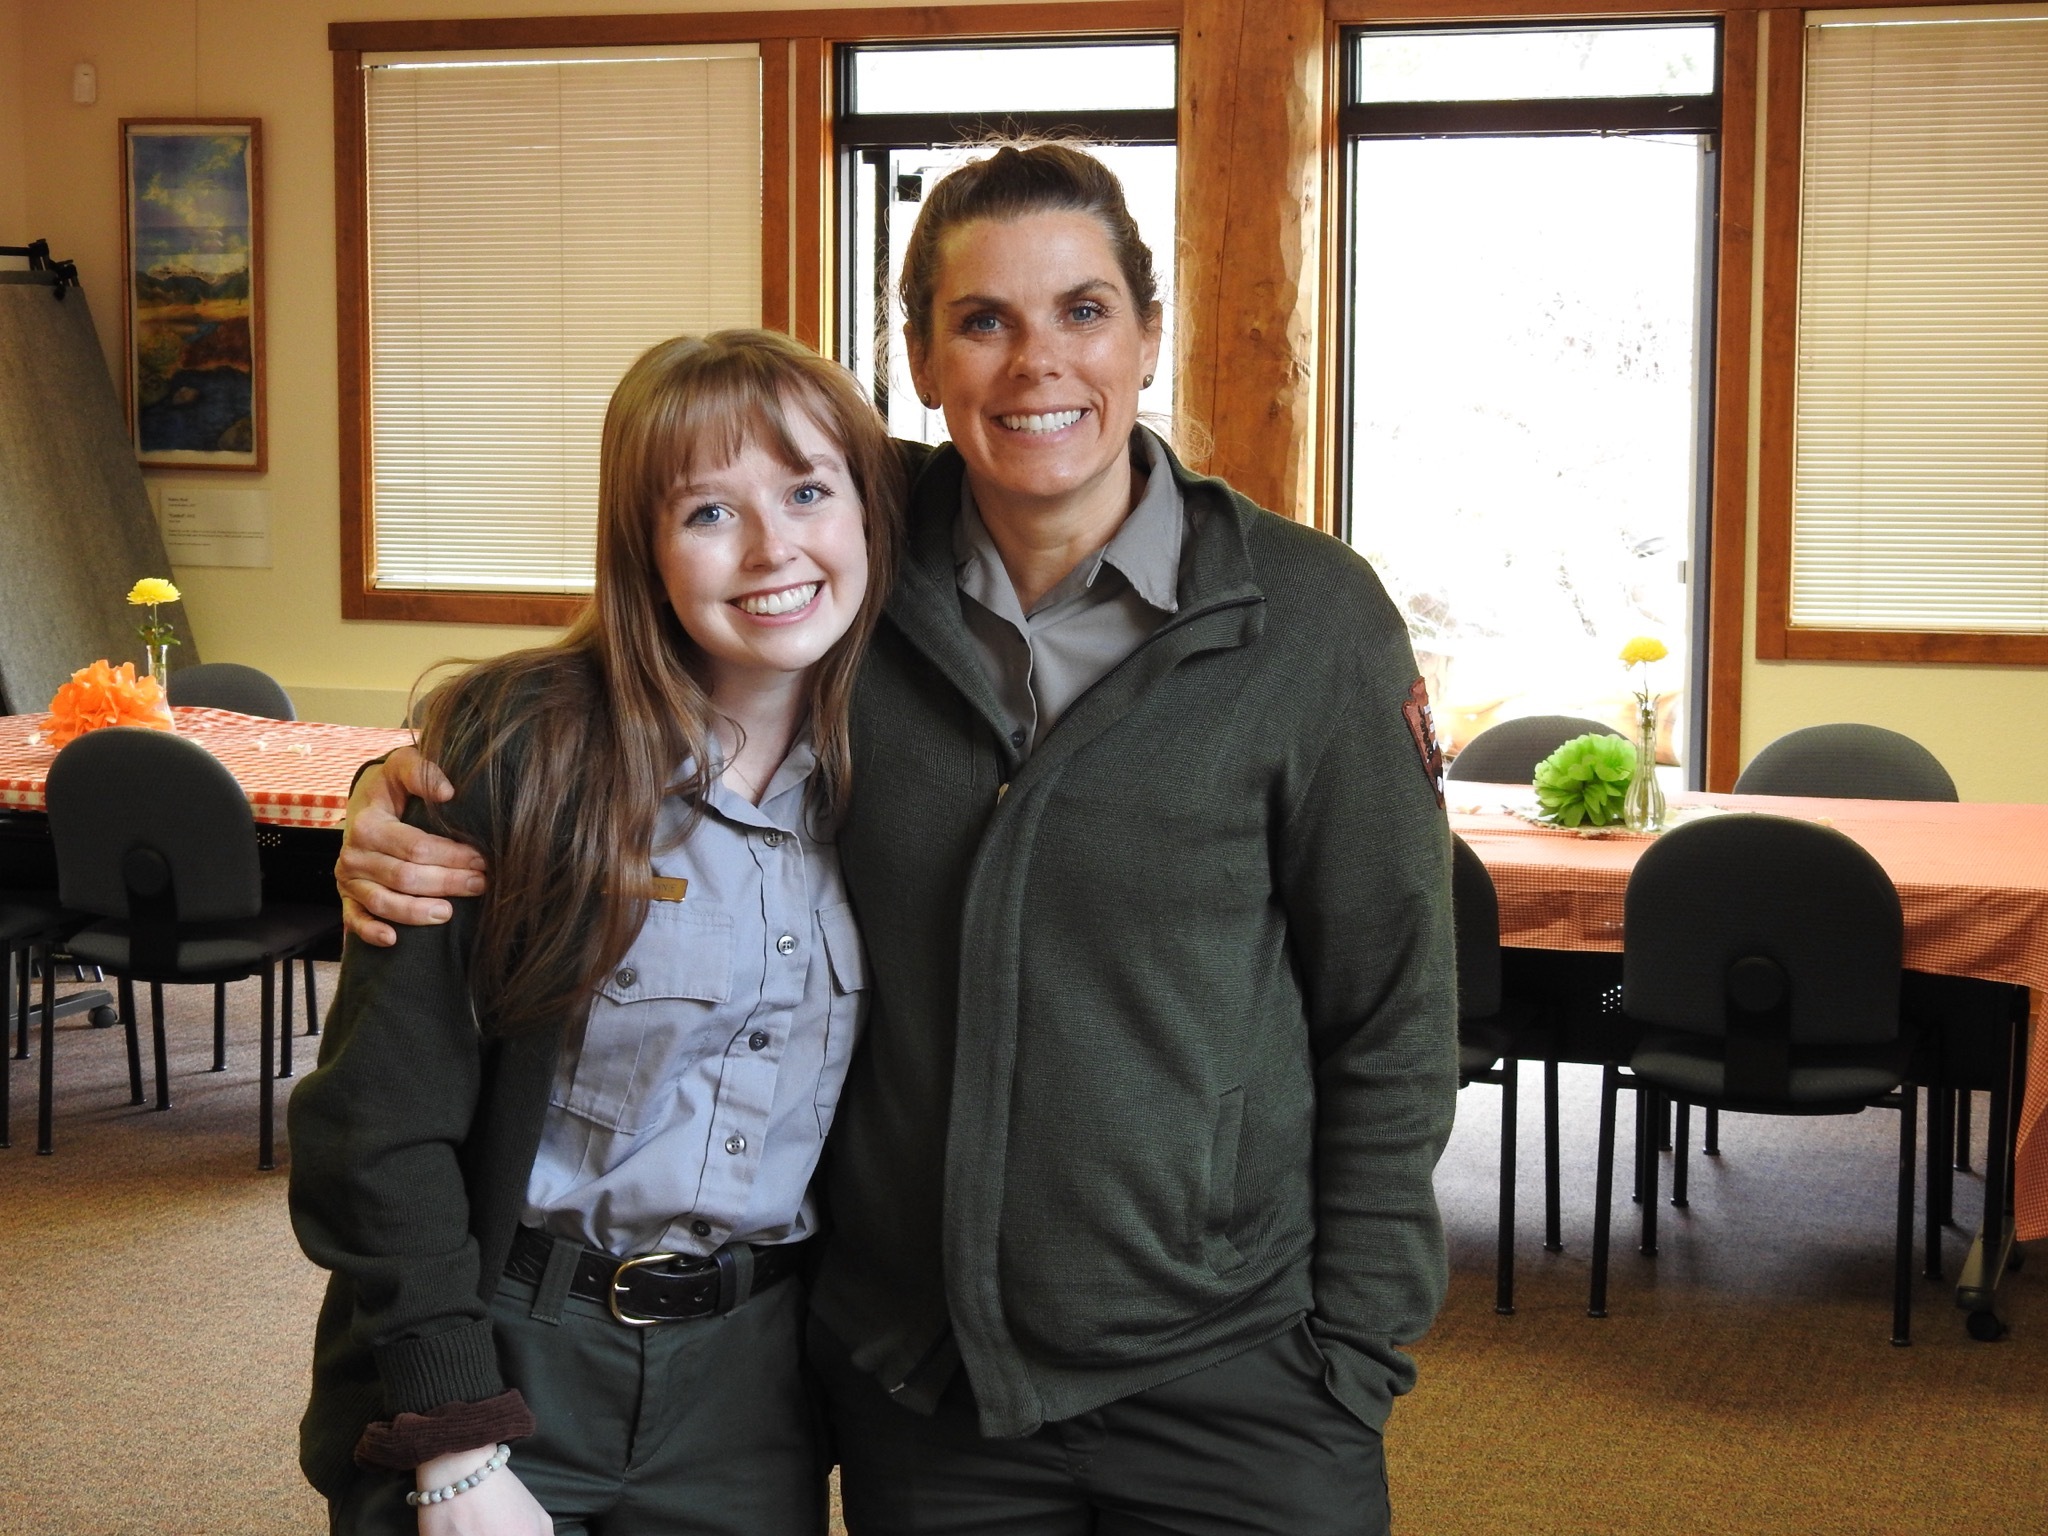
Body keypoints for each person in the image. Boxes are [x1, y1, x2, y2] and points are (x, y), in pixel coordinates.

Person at [340, 145, 1457, 1535]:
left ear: (1149, 334)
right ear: (920, 360)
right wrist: (416, 779)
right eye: (984, 320)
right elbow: (657, 610)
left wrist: (1356, 1349)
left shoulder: (1308, 620)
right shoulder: (860, 562)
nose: (1037, 364)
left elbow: (1395, 1018)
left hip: (1234, 1375)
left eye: (1085, 311)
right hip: (927, 1387)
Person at [291, 329, 901, 1535]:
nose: (776, 547)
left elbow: (1040, 459)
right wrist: (453, 1442)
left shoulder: (897, 769)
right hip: (513, 1345)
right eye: (708, 512)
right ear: (644, 551)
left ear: (869, 510)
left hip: (751, 1379)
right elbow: (374, 1129)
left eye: (808, 491)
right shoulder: (518, 757)